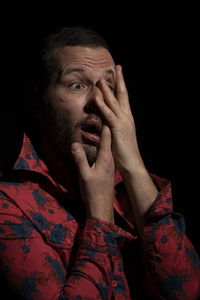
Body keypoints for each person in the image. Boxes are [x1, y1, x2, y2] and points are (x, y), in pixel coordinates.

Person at [0, 26, 199, 300]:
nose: (98, 100)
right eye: (77, 85)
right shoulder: (9, 205)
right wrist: (100, 214)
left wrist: (134, 167)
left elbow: (183, 292)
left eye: (109, 85)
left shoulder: (131, 189)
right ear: (38, 103)